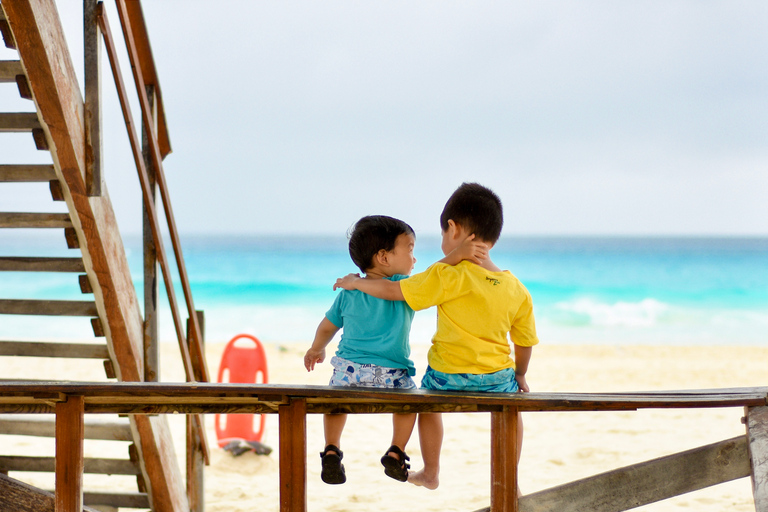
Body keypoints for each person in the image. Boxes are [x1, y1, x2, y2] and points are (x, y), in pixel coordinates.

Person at [333, 183, 539, 491]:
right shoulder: (517, 289)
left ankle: (431, 472)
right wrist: (519, 373)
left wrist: (357, 284)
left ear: (453, 229)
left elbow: (393, 291)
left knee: (427, 401)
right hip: (497, 379)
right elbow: (524, 343)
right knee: (512, 408)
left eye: (443, 233)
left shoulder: (447, 275)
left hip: (447, 377)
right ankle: (510, 476)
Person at [304, 214, 486, 485]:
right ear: (384, 258)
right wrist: (458, 254)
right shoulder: (404, 288)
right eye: (410, 250)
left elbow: (327, 326)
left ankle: (331, 448)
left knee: (334, 403)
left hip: (348, 372)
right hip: (392, 375)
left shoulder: (349, 291)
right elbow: (433, 274)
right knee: (408, 401)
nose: (414, 259)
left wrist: (316, 349)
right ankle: (396, 450)